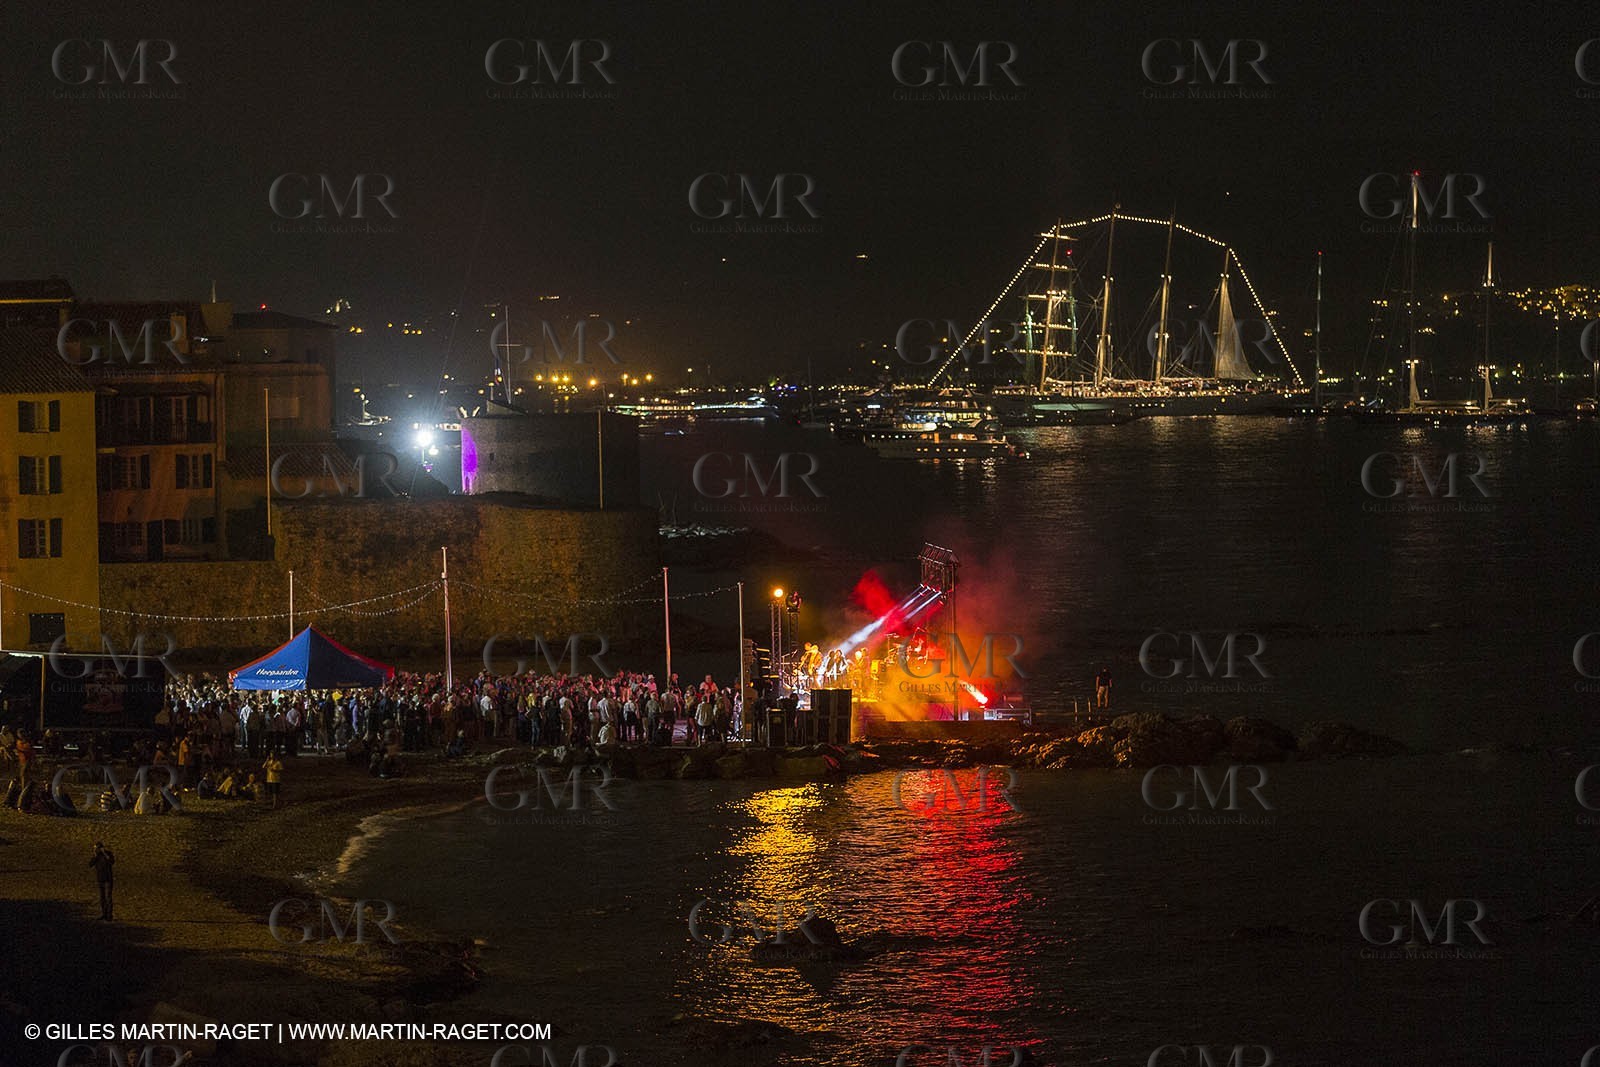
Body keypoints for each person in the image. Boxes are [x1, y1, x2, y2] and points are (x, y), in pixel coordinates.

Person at [89, 842, 115, 920]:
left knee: (108, 897)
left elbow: (111, 862)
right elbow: (90, 864)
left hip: (108, 879)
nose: (95, 850)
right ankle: (104, 914)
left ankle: (109, 915)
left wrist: (104, 853)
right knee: (102, 897)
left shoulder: (108, 854)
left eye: (96, 848)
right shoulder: (97, 857)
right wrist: (95, 855)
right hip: (100, 879)